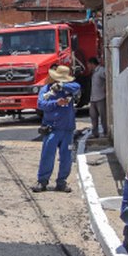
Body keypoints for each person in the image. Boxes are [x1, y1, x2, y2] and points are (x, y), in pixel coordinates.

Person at [31, 65, 81, 193]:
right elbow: (41, 104)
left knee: (66, 157)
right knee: (47, 155)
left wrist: (63, 86)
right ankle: (42, 181)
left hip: (67, 129)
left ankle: (61, 182)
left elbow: (77, 87)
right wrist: (56, 103)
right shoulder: (46, 89)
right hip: (52, 128)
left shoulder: (69, 88)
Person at [88, 57, 107, 137]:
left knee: (103, 117)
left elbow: (108, 78)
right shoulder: (94, 72)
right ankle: (95, 133)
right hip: (93, 99)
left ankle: (106, 132)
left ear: (92, 64)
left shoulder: (101, 71)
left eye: (88, 64)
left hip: (100, 98)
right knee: (93, 117)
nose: (88, 66)